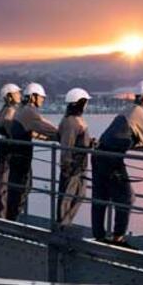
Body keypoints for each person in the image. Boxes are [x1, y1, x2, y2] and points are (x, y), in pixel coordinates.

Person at [91, 79, 143, 247]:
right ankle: (118, 238)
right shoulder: (139, 113)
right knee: (126, 198)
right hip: (111, 159)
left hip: (100, 154)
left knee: (101, 197)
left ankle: (99, 236)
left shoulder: (129, 109)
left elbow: (127, 134)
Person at [6, 82, 58, 220]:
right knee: (22, 189)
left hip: (16, 156)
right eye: (41, 97)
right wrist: (62, 136)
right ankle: (13, 222)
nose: (43, 99)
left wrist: (48, 138)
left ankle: (11, 219)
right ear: (33, 97)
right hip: (22, 157)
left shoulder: (22, 109)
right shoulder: (30, 112)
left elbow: (33, 131)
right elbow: (46, 127)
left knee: (17, 189)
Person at [54, 87, 95, 230]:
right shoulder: (71, 122)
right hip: (73, 167)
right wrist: (67, 167)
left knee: (80, 195)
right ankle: (62, 227)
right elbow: (67, 146)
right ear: (80, 103)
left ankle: (65, 225)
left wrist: (90, 142)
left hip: (80, 166)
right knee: (67, 197)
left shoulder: (76, 120)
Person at [0, 83, 21, 218]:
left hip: (3, 147)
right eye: (17, 93)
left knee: (2, 182)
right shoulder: (10, 110)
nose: (19, 95)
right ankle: (2, 215)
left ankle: (1, 213)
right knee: (3, 183)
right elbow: (10, 130)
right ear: (9, 96)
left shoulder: (5, 109)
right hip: (8, 148)